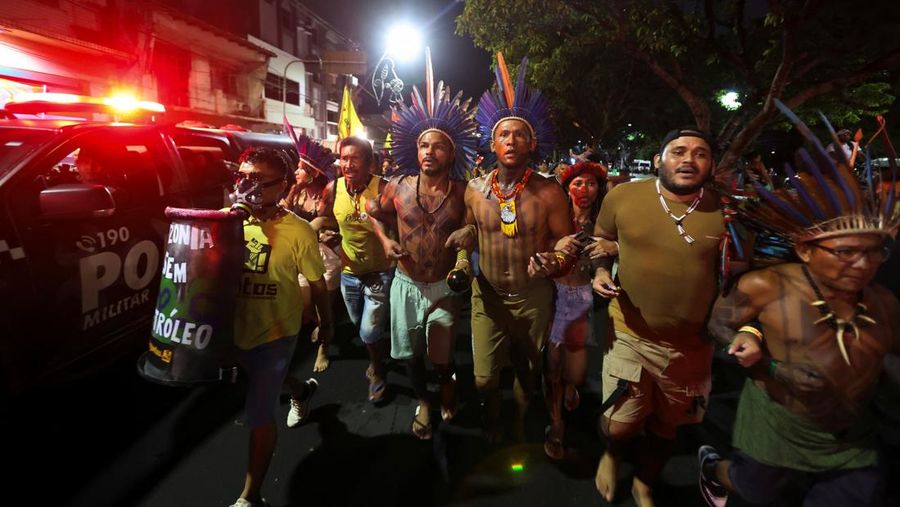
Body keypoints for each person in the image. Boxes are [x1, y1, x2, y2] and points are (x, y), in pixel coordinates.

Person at [698, 108, 900, 507]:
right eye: (845, 253)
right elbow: (719, 323)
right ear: (806, 249)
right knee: (758, 489)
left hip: (853, 440)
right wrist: (755, 345)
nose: (860, 266)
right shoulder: (767, 281)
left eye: (872, 253)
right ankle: (714, 469)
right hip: (777, 425)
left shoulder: (883, 300)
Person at [592, 127, 724, 506]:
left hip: (691, 348)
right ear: (658, 160)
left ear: (710, 164)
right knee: (619, 424)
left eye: (700, 154)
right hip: (629, 333)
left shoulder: (724, 213)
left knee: (669, 428)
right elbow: (602, 240)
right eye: (678, 151)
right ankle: (612, 455)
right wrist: (601, 271)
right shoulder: (623, 196)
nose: (688, 159)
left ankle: (645, 482)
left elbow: (738, 275)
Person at [446, 53, 571, 443]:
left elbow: (568, 241)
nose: (511, 140)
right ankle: (493, 413)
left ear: (531, 142)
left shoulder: (549, 192)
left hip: (533, 297)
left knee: (528, 370)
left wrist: (558, 258)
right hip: (488, 295)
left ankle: (516, 422)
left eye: (519, 134)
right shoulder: (475, 189)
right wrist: (465, 246)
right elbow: (469, 228)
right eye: (504, 134)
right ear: (493, 141)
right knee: (484, 378)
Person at [366, 59, 478, 438]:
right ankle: (424, 401)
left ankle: (446, 385)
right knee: (410, 355)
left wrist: (467, 246)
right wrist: (386, 239)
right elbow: (373, 212)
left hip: (445, 288)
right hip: (405, 284)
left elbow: (479, 226)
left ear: (452, 152)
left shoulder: (465, 192)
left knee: (440, 356)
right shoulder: (396, 186)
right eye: (424, 145)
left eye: (439, 146)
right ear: (416, 151)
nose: (430, 152)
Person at [227, 147, 334, 507]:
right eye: (242, 176)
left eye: (257, 180)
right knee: (258, 373)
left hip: (277, 331)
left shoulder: (299, 231)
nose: (245, 186)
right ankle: (301, 391)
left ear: (282, 186)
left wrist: (326, 326)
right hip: (238, 328)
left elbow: (318, 284)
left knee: (259, 410)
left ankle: (250, 496)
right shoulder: (228, 221)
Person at [542, 161, 618, 459]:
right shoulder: (556, 217)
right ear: (566, 187)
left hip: (583, 300)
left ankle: (572, 388)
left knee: (575, 371)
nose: (584, 190)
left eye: (591, 184)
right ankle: (556, 423)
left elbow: (625, 245)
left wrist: (613, 249)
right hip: (552, 295)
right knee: (552, 364)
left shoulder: (604, 222)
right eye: (577, 183)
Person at [318, 136, 394, 404]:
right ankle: (378, 354)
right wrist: (322, 234)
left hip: (380, 273)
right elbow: (324, 218)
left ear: (370, 162)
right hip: (349, 274)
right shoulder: (333, 189)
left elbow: (399, 223)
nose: (348, 164)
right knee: (358, 323)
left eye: (355, 158)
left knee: (369, 332)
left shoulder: (383, 188)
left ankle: (378, 370)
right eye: (344, 158)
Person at [280, 135, 341, 372]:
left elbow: (334, 221)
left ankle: (323, 349)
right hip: (303, 257)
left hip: (328, 259)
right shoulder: (296, 191)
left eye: (301, 169)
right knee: (304, 305)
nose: (296, 171)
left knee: (322, 306)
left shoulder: (329, 192)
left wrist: (319, 225)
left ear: (314, 173)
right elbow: (282, 214)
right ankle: (321, 325)